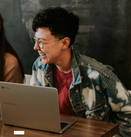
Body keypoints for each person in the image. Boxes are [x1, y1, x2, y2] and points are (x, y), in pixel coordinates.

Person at [29, 7, 131, 137]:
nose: (35, 47)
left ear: (65, 43)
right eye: (35, 40)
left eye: (41, 42)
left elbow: (128, 116)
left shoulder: (99, 75)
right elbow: (33, 110)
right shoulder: (39, 66)